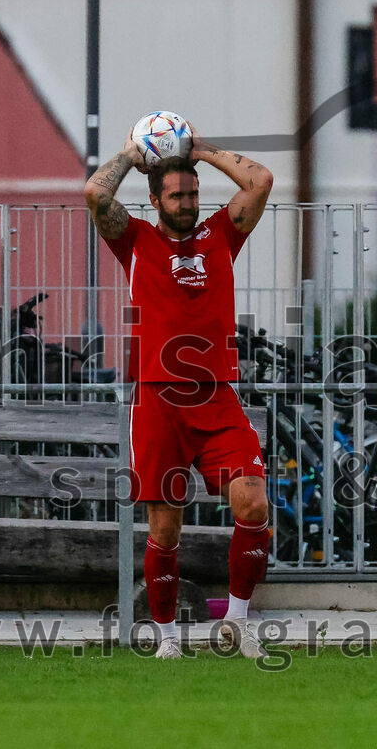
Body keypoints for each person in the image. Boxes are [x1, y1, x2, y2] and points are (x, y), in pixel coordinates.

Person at [84, 123, 274, 659]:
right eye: (177, 195)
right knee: (165, 532)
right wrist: (129, 154)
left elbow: (260, 181)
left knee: (253, 502)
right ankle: (166, 637)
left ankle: (236, 621)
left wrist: (203, 152)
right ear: (155, 200)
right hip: (158, 403)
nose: (188, 203)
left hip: (217, 397)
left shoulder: (221, 234)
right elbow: (97, 193)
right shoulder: (135, 241)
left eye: (192, 194)